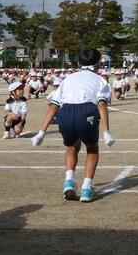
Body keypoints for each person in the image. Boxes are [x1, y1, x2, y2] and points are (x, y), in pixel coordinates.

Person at [48, 48, 115, 202]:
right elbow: (102, 105)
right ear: (98, 64)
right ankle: (86, 188)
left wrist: (41, 131)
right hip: (86, 111)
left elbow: (54, 105)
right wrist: (106, 131)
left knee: (72, 147)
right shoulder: (101, 80)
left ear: (79, 63)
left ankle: (69, 182)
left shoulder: (68, 78)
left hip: (65, 112)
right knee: (92, 149)